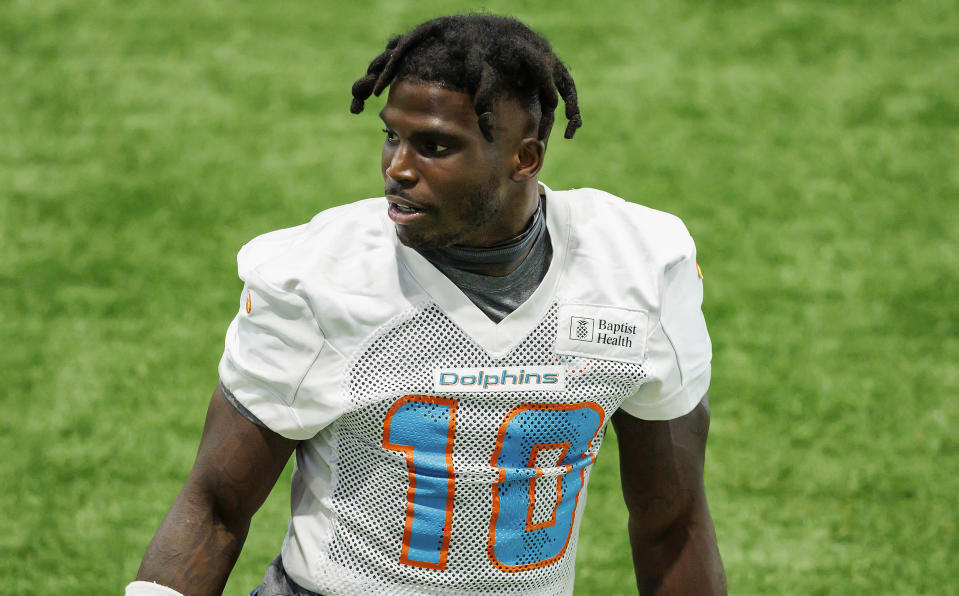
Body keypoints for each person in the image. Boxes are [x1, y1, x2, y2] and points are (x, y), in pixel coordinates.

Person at [127, 13, 726, 596]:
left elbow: (673, 520)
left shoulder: (638, 267)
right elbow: (215, 504)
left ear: (525, 158)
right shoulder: (321, 276)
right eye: (392, 136)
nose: (398, 168)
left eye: (435, 146)